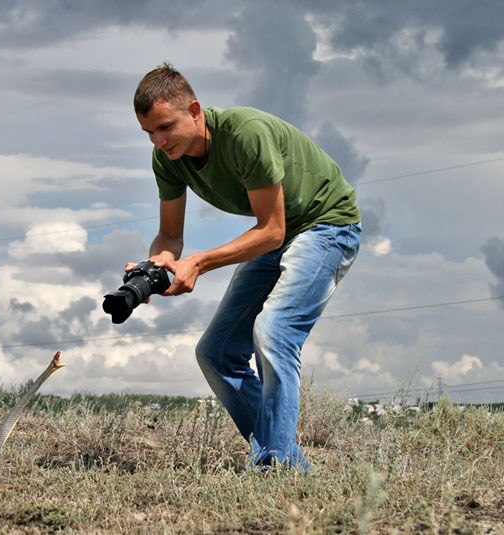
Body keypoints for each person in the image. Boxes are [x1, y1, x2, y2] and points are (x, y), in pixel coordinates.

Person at [129, 63, 361, 471]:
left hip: (326, 225)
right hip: (279, 231)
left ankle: (276, 469)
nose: (159, 140)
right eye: (149, 132)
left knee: (273, 332)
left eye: (165, 127)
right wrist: (156, 265)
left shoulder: (245, 134)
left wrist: (199, 263)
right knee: (216, 352)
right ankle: (288, 465)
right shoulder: (167, 159)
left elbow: (272, 231)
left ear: (195, 110)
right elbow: (169, 237)